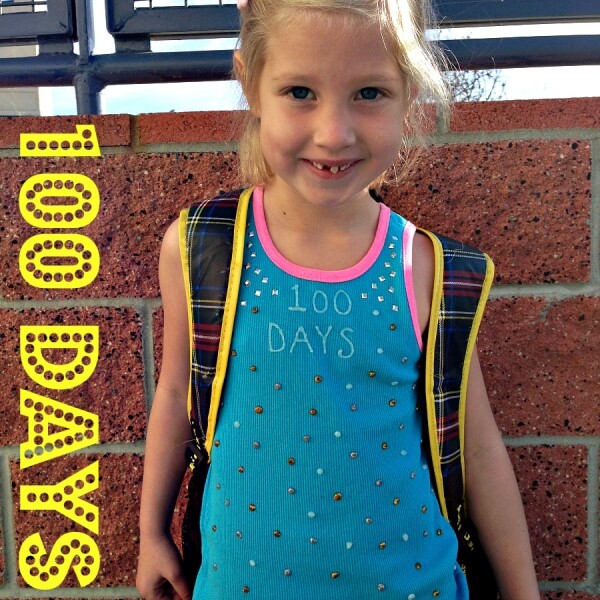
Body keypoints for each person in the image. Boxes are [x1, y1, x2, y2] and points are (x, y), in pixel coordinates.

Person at [136, 0, 540, 598]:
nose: (334, 133)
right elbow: (174, 394)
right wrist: (151, 533)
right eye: (299, 91)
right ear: (249, 83)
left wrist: (522, 591)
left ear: (410, 94)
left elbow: (477, 447)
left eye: (370, 93)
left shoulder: (431, 270)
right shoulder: (201, 249)